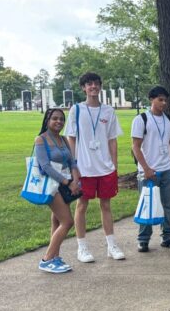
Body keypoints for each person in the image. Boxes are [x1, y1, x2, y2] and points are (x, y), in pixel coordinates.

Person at [66, 72, 125, 262]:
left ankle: (111, 245)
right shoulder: (76, 110)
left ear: (100, 87)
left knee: (106, 205)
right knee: (81, 205)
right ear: (83, 88)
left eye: (96, 84)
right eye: (89, 84)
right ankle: (82, 248)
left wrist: (114, 166)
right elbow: (71, 138)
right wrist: (74, 166)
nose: (93, 87)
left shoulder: (108, 111)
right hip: (84, 168)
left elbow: (112, 140)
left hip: (105, 167)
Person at [131, 86, 170, 253]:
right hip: (149, 171)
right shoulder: (141, 119)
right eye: (160, 99)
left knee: (168, 206)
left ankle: (167, 236)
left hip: (166, 169)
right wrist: (146, 168)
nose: (163, 103)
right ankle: (143, 239)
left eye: (165, 100)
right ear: (151, 100)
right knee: (147, 204)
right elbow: (136, 147)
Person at [33, 108, 82, 273]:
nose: (59, 122)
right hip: (51, 186)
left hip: (65, 184)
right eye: (55, 118)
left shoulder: (63, 140)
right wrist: (68, 182)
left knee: (57, 221)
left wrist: (76, 180)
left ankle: (55, 257)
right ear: (47, 120)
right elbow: (45, 166)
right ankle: (46, 259)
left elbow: (72, 162)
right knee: (67, 222)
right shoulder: (41, 140)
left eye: (61, 119)